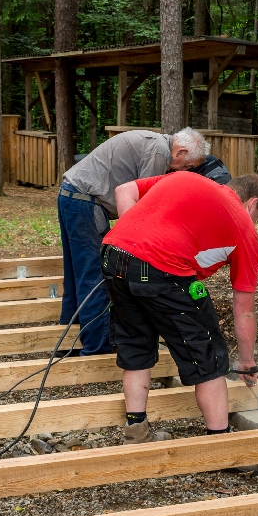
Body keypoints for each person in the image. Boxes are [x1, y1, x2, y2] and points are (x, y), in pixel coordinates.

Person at [100, 171, 258, 444]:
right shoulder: (244, 229)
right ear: (253, 204)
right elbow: (244, 309)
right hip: (162, 267)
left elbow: (123, 190)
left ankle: (136, 431)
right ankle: (219, 443)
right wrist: (247, 361)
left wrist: (137, 247)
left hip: (113, 255)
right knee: (207, 353)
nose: (255, 222)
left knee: (136, 344)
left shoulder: (185, 178)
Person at [57, 127, 209, 355]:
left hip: (70, 196)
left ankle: (74, 334)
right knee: (95, 275)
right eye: (187, 166)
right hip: (85, 203)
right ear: (181, 152)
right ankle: (97, 347)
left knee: (77, 272)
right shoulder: (159, 152)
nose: (182, 171)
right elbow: (146, 202)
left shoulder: (153, 142)